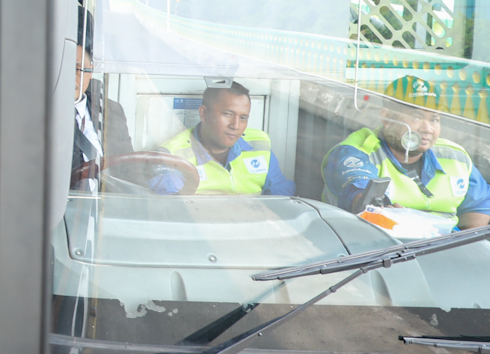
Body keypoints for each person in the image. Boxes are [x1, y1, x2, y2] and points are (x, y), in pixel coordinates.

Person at [323, 77, 490, 228]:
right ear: (387, 118)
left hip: (445, 246)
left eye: (434, 119)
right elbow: (363, 201)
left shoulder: (456, 157)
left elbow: (480, 206)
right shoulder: (357, 152)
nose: (427, 129)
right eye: (417, 118)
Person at [149, 82, 295, 196]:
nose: (235, 125)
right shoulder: (174, 153)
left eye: (243, 117)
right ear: (204, 114)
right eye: (228, 114)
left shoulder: (259, 142)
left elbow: (280, 193)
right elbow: (172, 205)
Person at [68, 23, 134, 192]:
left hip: (109, 205)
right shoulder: (35, 115)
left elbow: (130, 171)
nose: (70, 77)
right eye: (63, 68)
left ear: (91, 70)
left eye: (77, 68)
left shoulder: (111, 111)